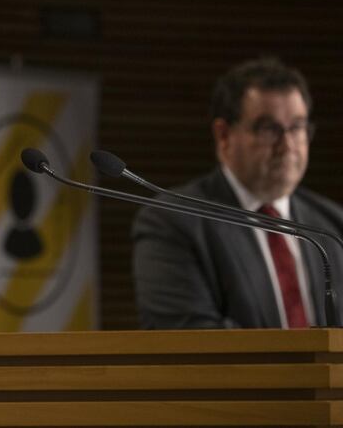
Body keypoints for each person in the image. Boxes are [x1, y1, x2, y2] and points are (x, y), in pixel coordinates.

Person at [132, 57, 343, 329]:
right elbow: (186, 338)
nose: (288, 145)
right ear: (224, 135)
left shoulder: (334, 225)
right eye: (269, 129)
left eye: (297, 127)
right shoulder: (172, 222)